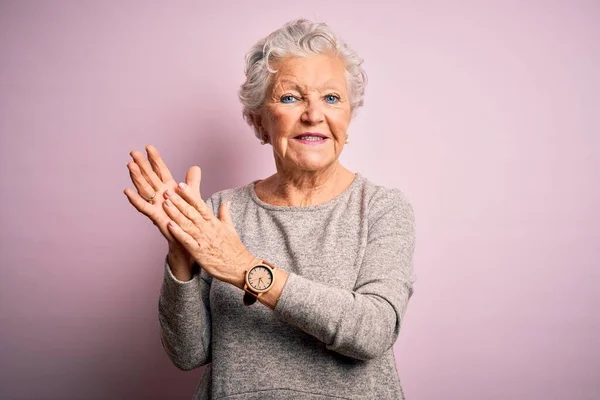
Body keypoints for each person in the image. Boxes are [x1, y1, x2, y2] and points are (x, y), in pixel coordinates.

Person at [124, 18, 416, 400]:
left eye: (331, 98)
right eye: (291, 97)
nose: (313, 114)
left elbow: (373, 331)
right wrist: (182, 255)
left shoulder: (382, 208)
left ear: (347, 117)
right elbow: (188, 353)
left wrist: (246, 270)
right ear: (259, 122)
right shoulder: (221, 211)